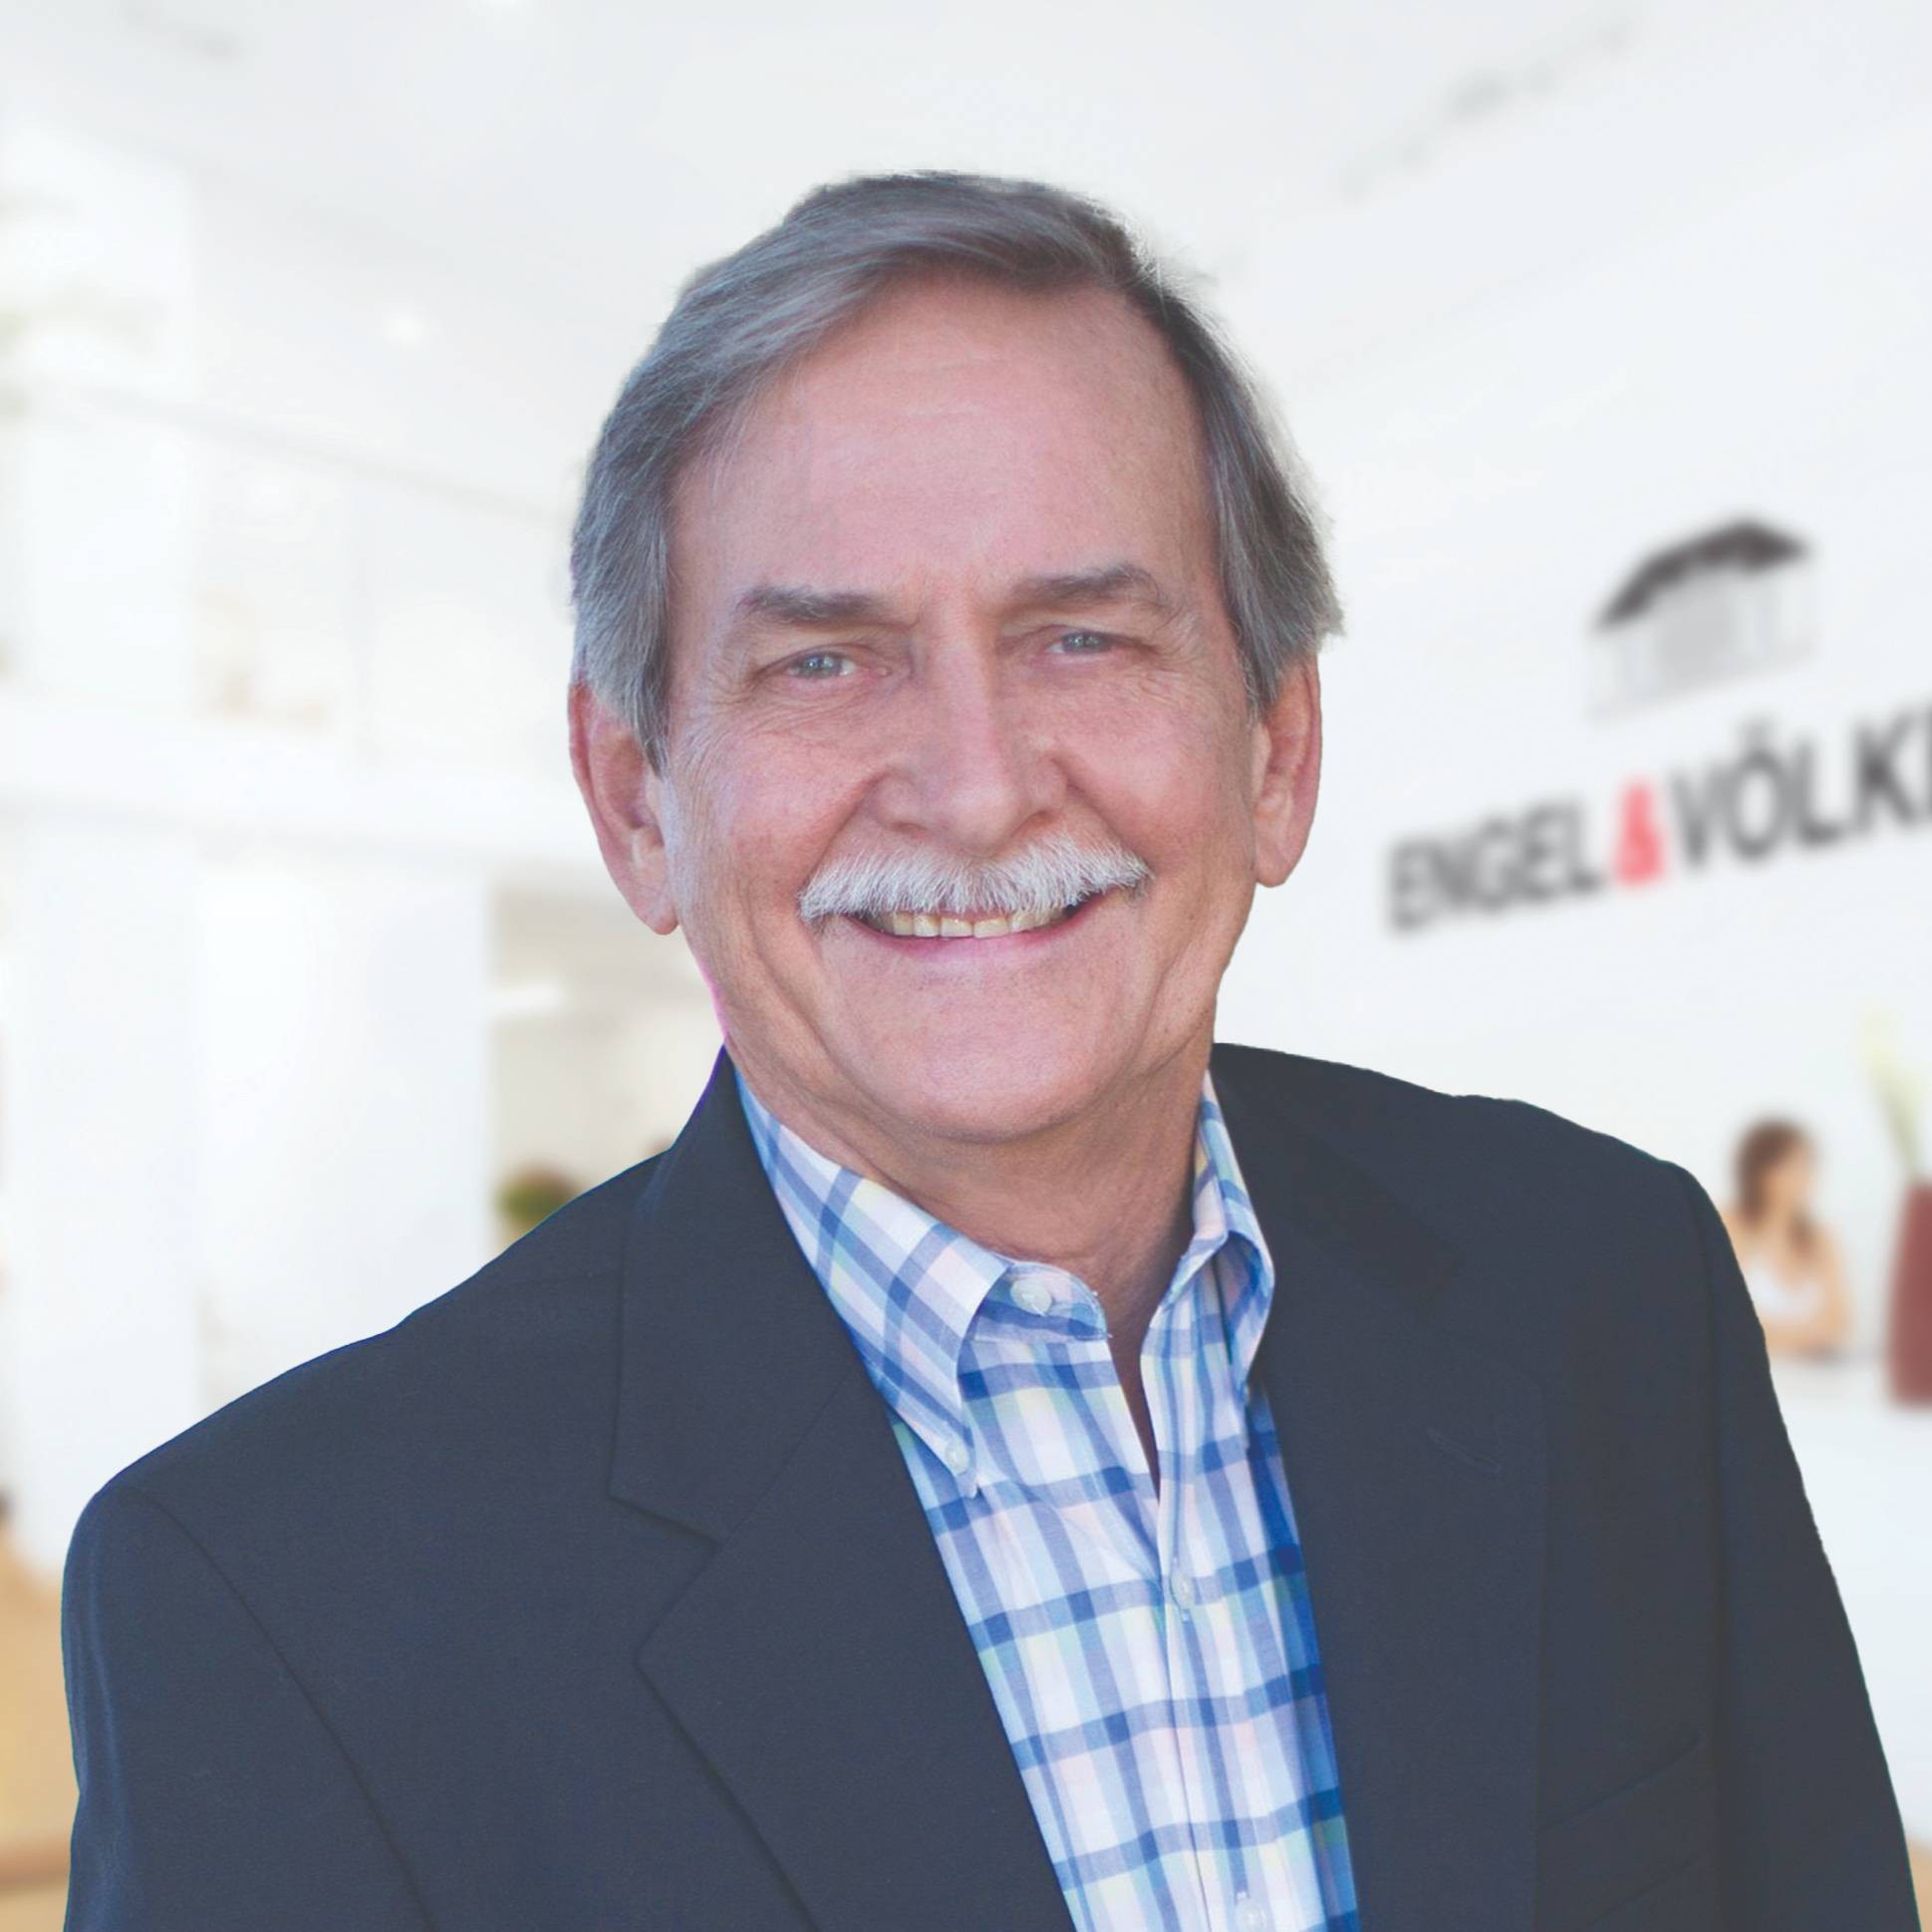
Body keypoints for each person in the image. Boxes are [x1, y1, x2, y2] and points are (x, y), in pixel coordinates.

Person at [59, 171, 1916, 1932]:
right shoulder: (275, 1601)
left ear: (1274, 750)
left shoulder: (1600, 1284)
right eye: (822, 659)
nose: (973, 784)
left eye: (1082, 636)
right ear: (633, 800)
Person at [1720, 1119, 1853, 1359]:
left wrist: (1778, 1336)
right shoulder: (1730, 1225)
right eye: (1791, 1166)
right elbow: (1727, 1320)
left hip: (1816, 1374)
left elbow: (1840, 1322)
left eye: (1807, 1165)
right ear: (1761, 1171)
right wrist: (1808, 1337)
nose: (1803, 1177)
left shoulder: (1821, 1237)